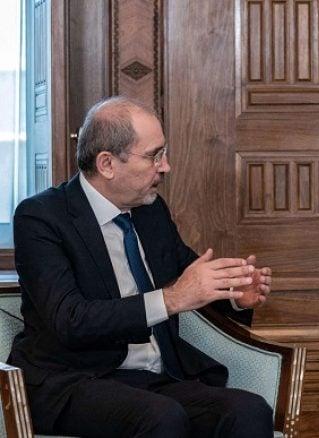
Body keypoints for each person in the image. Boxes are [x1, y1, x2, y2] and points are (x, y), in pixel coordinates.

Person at [9, 96, 274, 437]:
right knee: (161, 417)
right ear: (107, 164)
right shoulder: (41, 218)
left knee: (248, 410)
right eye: (154, 156)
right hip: (73, 380)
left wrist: (236, 294)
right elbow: (70, 320)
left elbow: (190, 277)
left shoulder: (151, 211)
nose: (166, 167)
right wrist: (171, 299)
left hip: (152, 379)